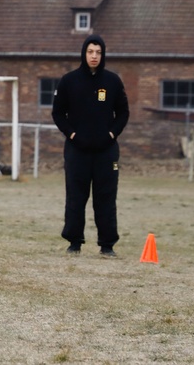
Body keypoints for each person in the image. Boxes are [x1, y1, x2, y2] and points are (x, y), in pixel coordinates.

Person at [51, 34, 129, 257]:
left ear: (103, 55)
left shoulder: (113, 81)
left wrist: (112, 133)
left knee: (105, 197)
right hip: (77, 151)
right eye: (90, 52)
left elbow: (123, 112)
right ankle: (74, 242)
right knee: (76, 197)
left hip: (106, 151)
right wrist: (73, 134)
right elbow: (57, 113)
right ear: (84, 54)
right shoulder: (69, 81)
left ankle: (107, 244)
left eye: (98, 52)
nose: (94, 56)